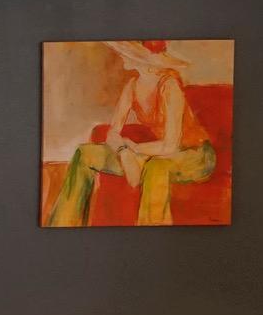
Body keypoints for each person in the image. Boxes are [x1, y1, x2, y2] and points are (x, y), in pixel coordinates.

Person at [46, 39, 217, 227]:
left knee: (156, 167)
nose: (122, 55)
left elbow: (171, 145)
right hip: (155, 152)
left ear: (143, 59)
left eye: (128, 53)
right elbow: (113, 132)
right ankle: (62, 225)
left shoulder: (170, 85)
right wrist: (123, 151)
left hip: (196, 155)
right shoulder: (132, 86)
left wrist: (134, 148)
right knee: (85, 154)